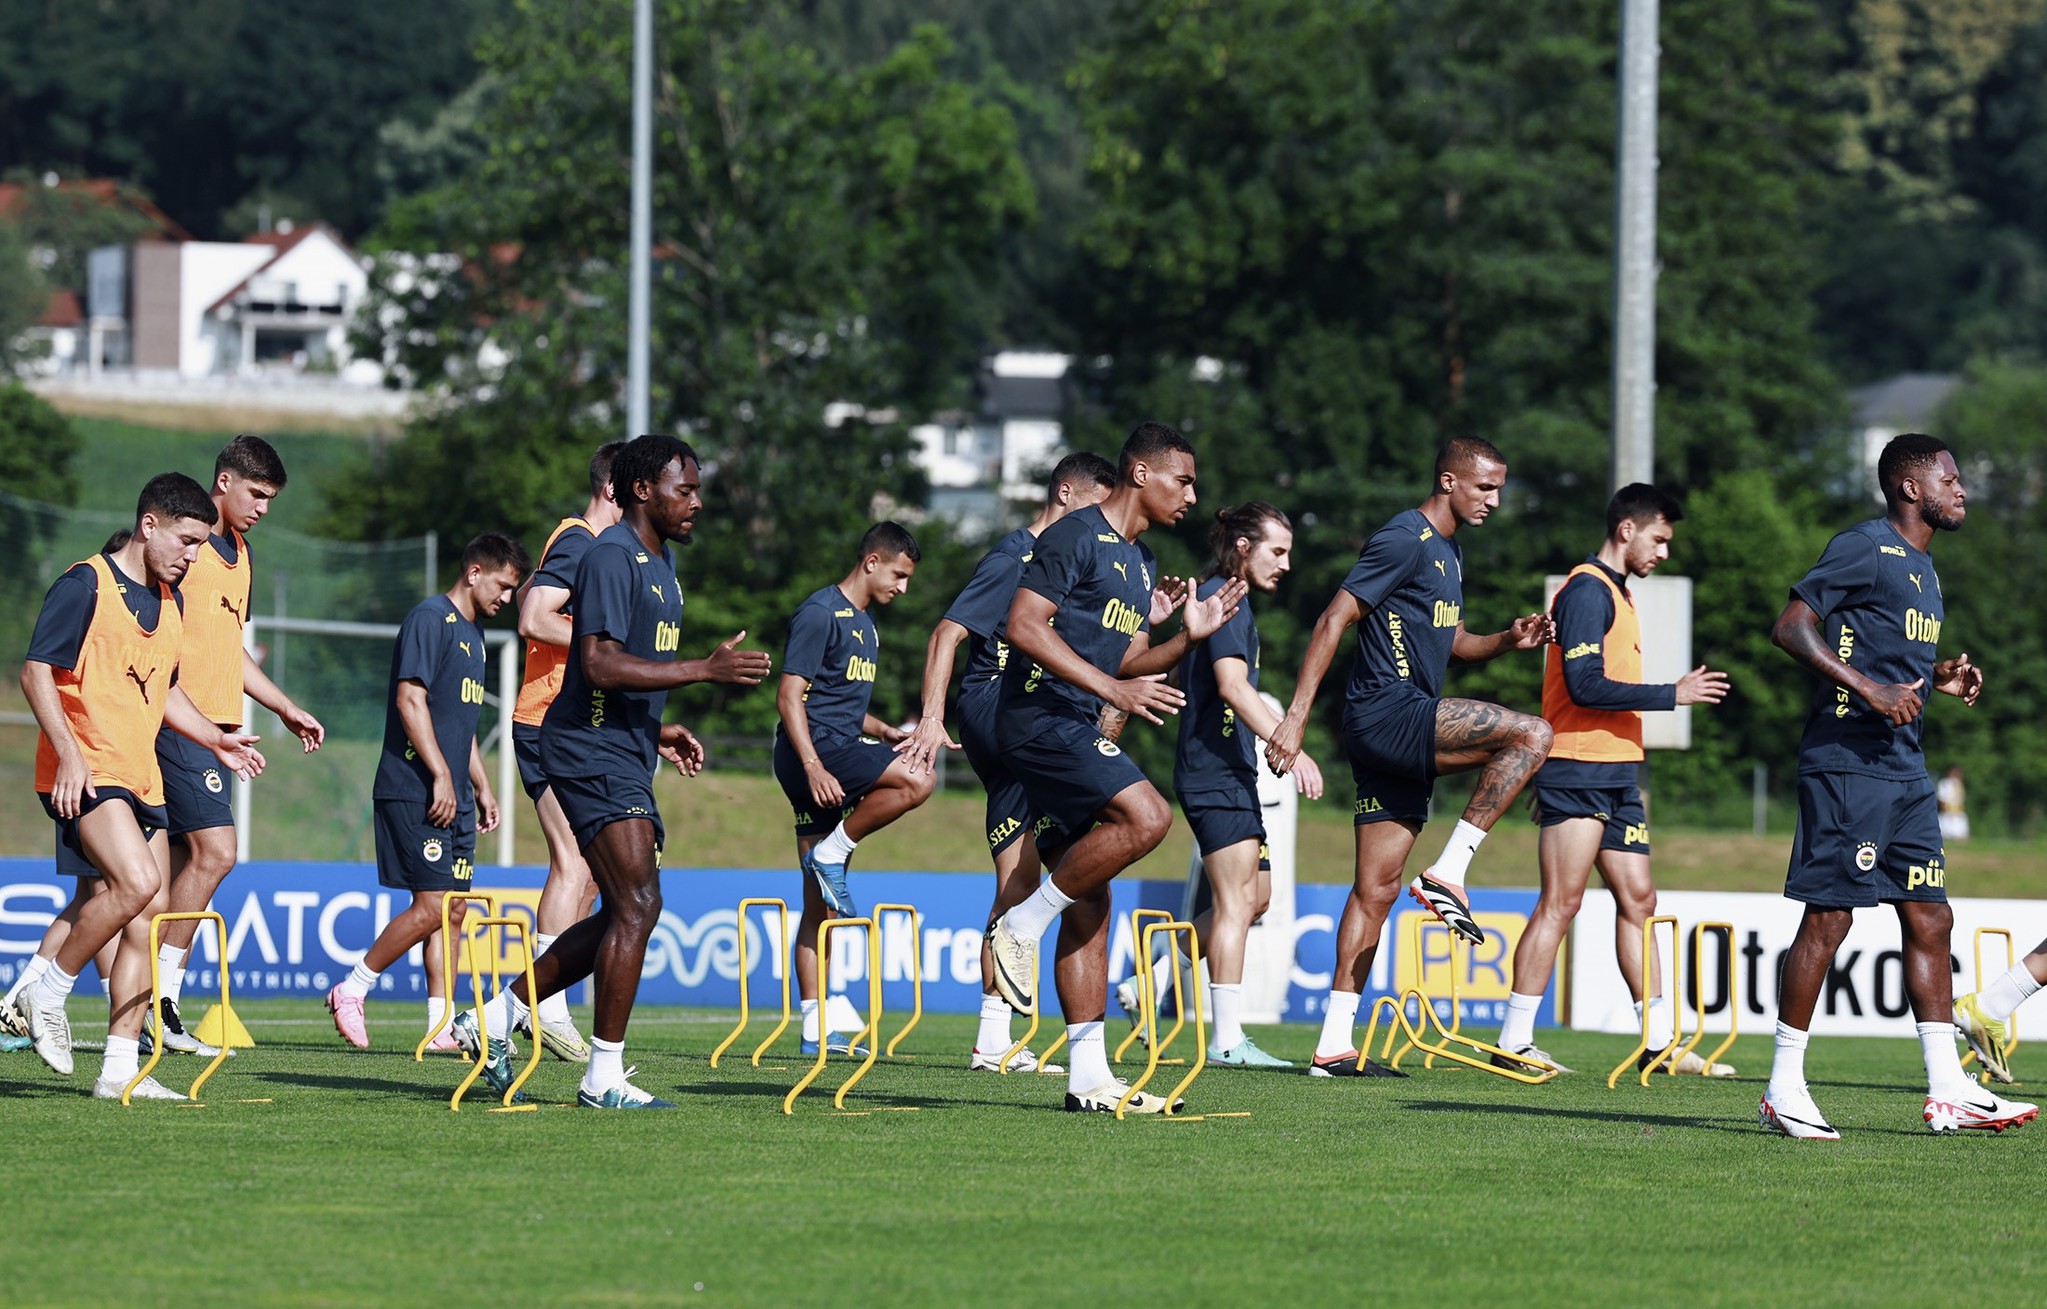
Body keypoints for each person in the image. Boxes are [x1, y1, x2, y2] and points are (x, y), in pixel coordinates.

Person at [460, 435, 773, 1109]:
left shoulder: (660, 565)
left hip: (623, 746)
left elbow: (620, 672)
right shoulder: (607, 554)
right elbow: (595, 664)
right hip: (586, 750)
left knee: (626, 908)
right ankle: (602, 1075)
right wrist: (703, 669)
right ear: (640, 490)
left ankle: (492, 1017)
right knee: (637, 903)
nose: (695, 502)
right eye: (682, 489)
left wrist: (656, 727)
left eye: (695, 489)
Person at [1760, 434, 2037, 1138]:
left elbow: (1888, 655)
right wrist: (1869, 690)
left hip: (1904, 767)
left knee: (1930, 917)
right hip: (1847, 760)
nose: (1960, 490)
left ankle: (1948, 1087)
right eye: (1950, 478)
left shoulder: (1924, 569)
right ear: (1911, 488)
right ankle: (1782, 1085)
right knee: (1829, 919)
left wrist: (1937, 676)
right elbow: (1790, 627)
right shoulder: (1864, 545)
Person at [1265, 437, 1554, 1077]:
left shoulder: (1450, 553)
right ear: (1449, 481)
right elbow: (1333, 617)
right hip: (1386, 713)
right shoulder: (1405, 537)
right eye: (1484, 487)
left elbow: (1449, 643)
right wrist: (1296, 713)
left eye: (1500, 488)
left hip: (1399, 725)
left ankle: (1332, 1046)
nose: (1494, 500)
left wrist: (1507, 640)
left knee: (1377, 889)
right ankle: (1450, 871)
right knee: (1532, 734)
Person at [982, 421, 1246, 1114]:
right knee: (1148, 815)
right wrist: (1111, 691)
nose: (1191, 493)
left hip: (1070, 721)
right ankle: (1020, 923)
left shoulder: (1139, 561)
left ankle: (1089, 1079)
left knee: (1092, 898)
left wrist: (1183, 639)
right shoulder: (1072, 535)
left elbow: (1126, 663)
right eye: (1182, 479)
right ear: (1140, 474)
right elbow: (1022, 625)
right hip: (1035, 716)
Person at [13, 473, 265, 1098]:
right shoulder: (85, 584)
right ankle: (43, 992)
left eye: (201, 546)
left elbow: (167, 689)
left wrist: (215, 737)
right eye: (185, 541)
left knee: (148, 922)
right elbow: (36, 671)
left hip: (140, 772)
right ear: (149, 524)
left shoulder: (169, 599)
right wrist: (68, 754)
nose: (192, 556)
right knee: (139, 883)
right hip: (90, 769)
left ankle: (121, 1068)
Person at [1492, 484, 1731, 1074]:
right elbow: (1584, 687)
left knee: (1640, 900)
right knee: (1562, 901)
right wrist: (1670, 694)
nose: (1665, 552)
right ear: (1627, 530)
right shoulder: (1586, 593)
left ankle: (1659, 1042)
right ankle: (1515, 1039)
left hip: (1618, 774)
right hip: (1576, 769)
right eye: (1660, 539)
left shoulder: (1620, 595)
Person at [898, 452, 1117, 1072]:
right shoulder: (1021, 554)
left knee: (1020, 880)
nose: (1104, 521)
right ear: (1068, 494)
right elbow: (947, 633)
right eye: (1098, 506)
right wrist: (933, 716)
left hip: (1019, 720)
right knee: (1086, 865)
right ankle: (1019, 1024)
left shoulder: (1076, 564)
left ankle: (993, 1039)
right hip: (1001, 711)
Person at [149, 436, 325, 1059]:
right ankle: (159, 1002)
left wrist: (284, 705)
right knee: (217, 852)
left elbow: (230, 651)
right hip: (179, 721)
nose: (262, 508)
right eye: (256, 494)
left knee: (138, 883)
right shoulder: (185, 549)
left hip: (217, 726)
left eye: (271, 499)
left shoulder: (242, 556)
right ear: (223, 482)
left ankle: (40, 994)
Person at [325, 533, 528, 1050]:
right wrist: (441, 774)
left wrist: (480, 787)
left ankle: (440, 1026)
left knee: (454, 909)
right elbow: (409, 701)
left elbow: (463, 725)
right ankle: (353, 988)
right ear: (475, 572)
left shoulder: (476, 637)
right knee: (434, 904)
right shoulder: (429, 619)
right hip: (415, 787)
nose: (507, 598)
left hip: (453, 793)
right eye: (504, 586)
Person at [1156, 501, 1322, 1068]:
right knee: (1233, 902)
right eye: (1278, 551)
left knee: (1257, 898)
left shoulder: (1229, 600)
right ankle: (1226, 1040)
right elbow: (1232, 687)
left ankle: (1154, 977)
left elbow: (1185, 676)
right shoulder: (1222, 597)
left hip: (1231, 772)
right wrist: (1288, 742)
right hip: (1212, 773)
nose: (1287, 564)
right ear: (1245, 548)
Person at [772, 521, 935, 1056]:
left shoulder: (866, 624)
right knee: (919, 778)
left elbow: (837, 700)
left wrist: (884, 729)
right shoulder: (821, 612)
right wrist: (815, 765)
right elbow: (790, 696)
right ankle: (835, 849)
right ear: (871, 561)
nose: (903, 588)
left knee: (820, 907)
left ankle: (816, 1029)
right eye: (899, 574)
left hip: (832, 748)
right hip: (812, 755)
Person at [506, 439, 627, 1061]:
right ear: (615, 489)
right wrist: (596, 646)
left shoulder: (598, 548)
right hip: (545, 723)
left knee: (591, 876)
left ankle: (535, 1004)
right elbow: (533, 615)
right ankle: (535, 1006)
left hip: (576, 727)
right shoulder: (580, 540)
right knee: (575, 866)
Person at [1936, 766, 1969, 843]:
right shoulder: (1944, 783)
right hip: (1947, 810)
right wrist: (1945, 808)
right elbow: (1942, 797)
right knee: (1945, 831)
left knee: (1961, 833)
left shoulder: (1958, 783)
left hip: (1958, 810)